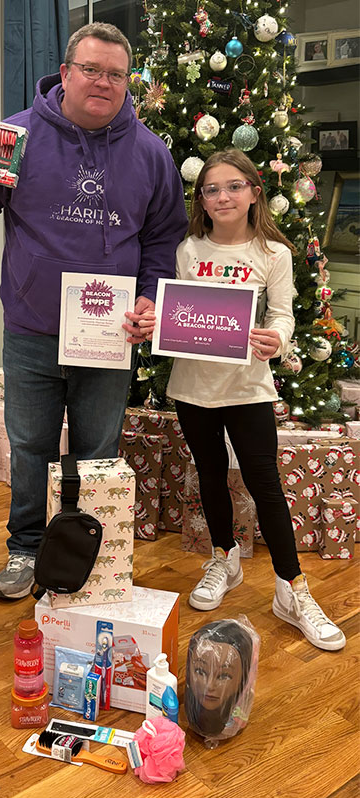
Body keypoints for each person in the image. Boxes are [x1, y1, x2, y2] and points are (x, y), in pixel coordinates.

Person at [0, 22, 188, 600]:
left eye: (117, 75)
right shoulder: (16, 137)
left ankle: (86, 551)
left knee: (98, 451)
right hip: (31, 329)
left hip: (109, 333)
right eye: (92, 70)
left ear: (129, 82)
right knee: (30, 447)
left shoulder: (150, 153)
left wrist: (150, 296)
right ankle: (25, 549)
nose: (104, 82)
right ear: (66, 72)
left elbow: (161, 240)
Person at [144, 148, 346, 652]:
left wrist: (278, 339)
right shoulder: (186, 249)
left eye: (233, 186)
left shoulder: (272, 254)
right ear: (201, 200)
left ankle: (292, 589)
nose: (222, 196)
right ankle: (224, 556)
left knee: (264, 484)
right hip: (193, 387)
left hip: (248, 387)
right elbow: (174, 311)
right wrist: (155, 323)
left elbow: (283, 315)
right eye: (211, 189)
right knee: (209, 473)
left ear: (255, 191)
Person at [185, 618, 259, 747]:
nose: (210, 685)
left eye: (224, 675)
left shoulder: (236, 720)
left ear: (244, 678)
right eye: (200, 671)